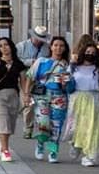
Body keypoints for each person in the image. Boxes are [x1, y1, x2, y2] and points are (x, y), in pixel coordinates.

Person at [67, 34, 99, 166]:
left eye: (93, 53)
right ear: (83, 52)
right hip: (76, 99)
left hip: (92, 100)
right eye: (88, 52)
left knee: (91, 128)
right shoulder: (73, 67)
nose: (90, 54)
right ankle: (76, 144)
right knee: (74, 127)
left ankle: (90, 155)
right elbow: (66, 81)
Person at [29, 36, 75, 164]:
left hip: (60, 97)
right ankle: (40, 143)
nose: (58, 48)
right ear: (51, 47)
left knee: (56, 125)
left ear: (65, 48)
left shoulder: (68, 66)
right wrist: (26, 94)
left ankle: (53, 151)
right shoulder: (42, 61)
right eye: (55, 45)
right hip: (43, 95)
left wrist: (65, 83)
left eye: (61, 46)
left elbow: (70, 88)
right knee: (43, 122)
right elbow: (30, 76)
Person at [18, 26, 48, 139]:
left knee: (42, 103)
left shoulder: (47, 48)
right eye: (38, 38)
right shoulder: (22, 46)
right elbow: (16, 60)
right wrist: (31, 62)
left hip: (41, 78)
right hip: (25, 77)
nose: (39, 41)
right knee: (28, 104)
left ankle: (42, 128)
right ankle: (28, 128)